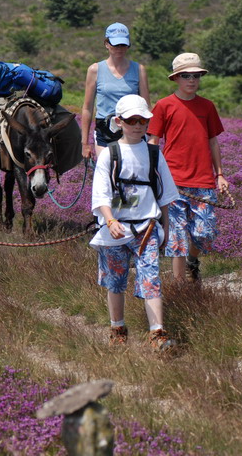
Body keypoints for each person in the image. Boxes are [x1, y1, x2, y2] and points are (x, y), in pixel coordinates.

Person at [90, 94, 179, 351]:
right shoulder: (109, 154)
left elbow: (165, 196)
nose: (138, 125)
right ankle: (117, 328)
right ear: (119, 122)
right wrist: (109, 221)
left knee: (152, 279)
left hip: (148, 228)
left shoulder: (154, 153)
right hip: (115, 230)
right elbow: (101, 194)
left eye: (143, 120)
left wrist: (166, 229)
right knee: (115, 281)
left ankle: (157, 334)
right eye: (131, 120)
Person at [147, 53, 229, 284]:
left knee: (204, 234)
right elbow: (154, 141)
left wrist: (220, 174)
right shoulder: (163, 106)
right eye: (186, 75)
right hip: (172, 182)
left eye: (196, 76)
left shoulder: (207, 106)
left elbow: (213, 141)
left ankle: (193, 261)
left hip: (203, 181)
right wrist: (152, 172)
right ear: (176, 79)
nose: (191, 80)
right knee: (177, 237)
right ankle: (179, 285)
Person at [81, 22, 150, 161]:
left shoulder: (139, 70)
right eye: (115, 44)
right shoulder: (95, 70)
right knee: (107, 173)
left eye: (123, 44)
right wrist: (84, 143)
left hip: (133, 128)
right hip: (105, 130)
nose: (119, 48)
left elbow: (147, 106)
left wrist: (152, 136)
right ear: (106, 43)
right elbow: (87, 108)